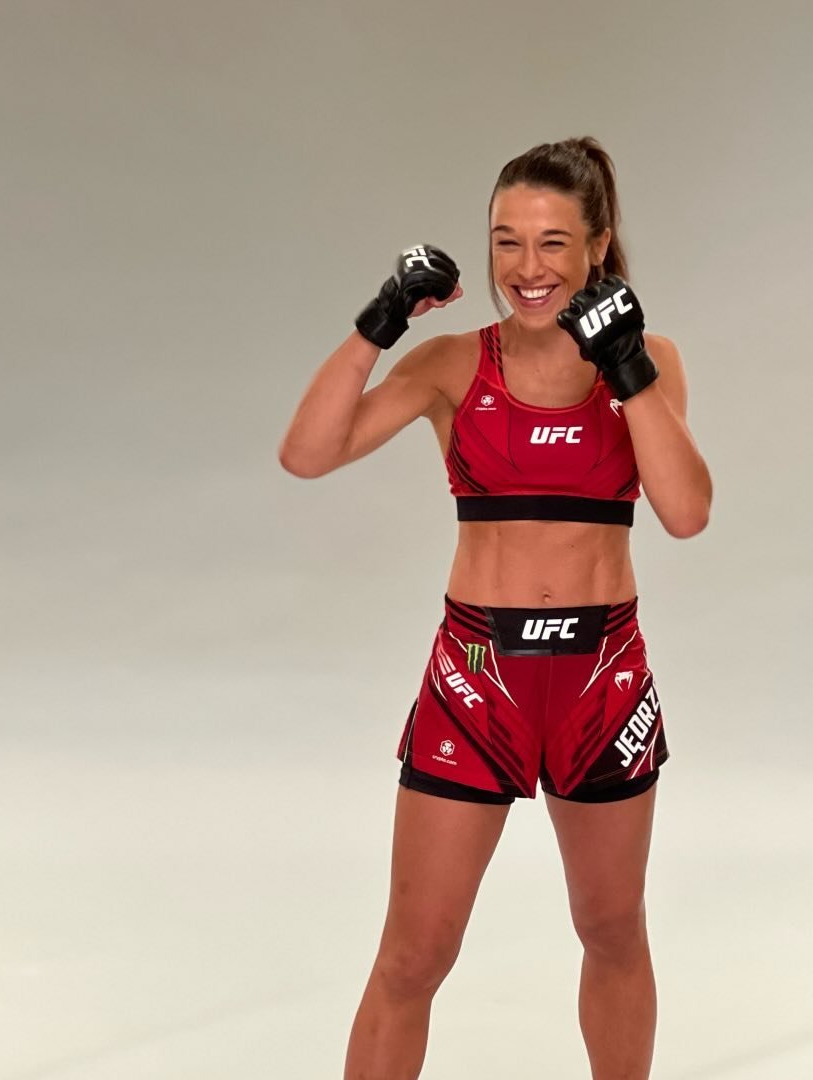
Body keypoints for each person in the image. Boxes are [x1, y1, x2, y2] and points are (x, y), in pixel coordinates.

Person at [279, 136, 712, 1080]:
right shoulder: (449, 365)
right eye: (506, 241)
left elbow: (686, 513)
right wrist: (380, 321)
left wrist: (628, 368)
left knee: (612, 931)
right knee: (412, 958)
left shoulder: (650, 361)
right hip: (476, 683)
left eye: (553, 242)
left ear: (598, 247)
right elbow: (306, 454)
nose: (526, 267)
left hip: (602, 678)